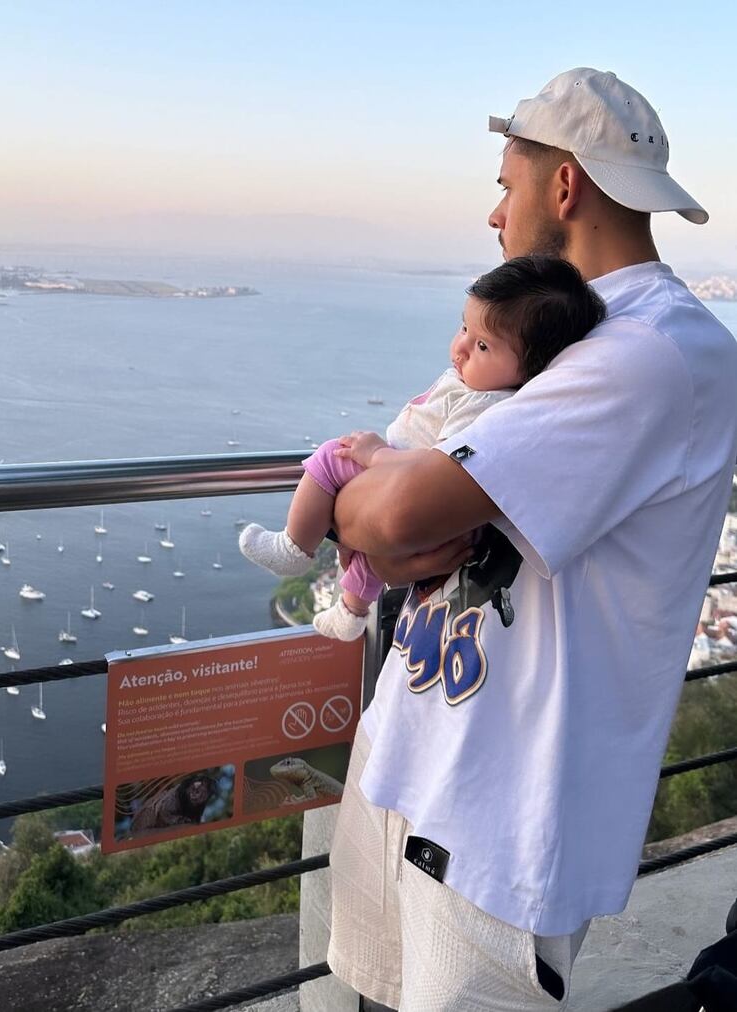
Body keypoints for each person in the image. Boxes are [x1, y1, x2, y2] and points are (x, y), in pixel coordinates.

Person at [323, 68, 737, 1011]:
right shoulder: (544, 327)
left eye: (507, 185)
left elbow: (381, 514)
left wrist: (382, 517)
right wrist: (380, 514)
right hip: (411, 763)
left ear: (565, 187)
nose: (493, 212)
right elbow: (381, 492)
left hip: (497, 831)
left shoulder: (649, 351)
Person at [238, 256, 606, 641]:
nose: (461, 348)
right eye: (464, 327)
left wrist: (377, 455)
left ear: (530, 367)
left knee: (331, 456)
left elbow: (440, 467)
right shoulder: (476, 388)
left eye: (482, 345)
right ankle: (351, 610)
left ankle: (295, 547)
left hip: (399, 475)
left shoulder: (485, 404)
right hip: (410, 492)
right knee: (369, 554)